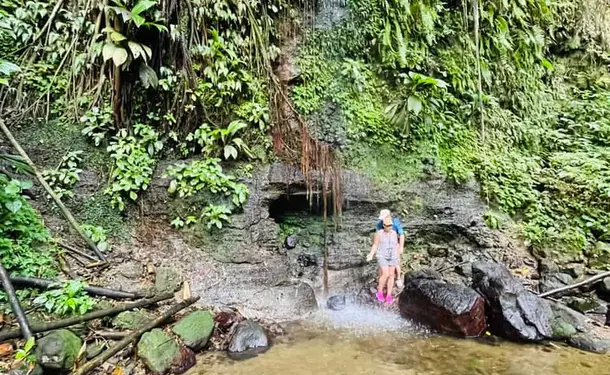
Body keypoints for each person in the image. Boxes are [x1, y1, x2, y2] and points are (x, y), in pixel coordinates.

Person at [367, 216, 399, 304]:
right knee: (386, 274)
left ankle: (389, 295)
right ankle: (379, 292)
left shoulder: (394, 233)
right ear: (384, 225)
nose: (389, 227)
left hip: (392, 255)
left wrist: (397, 255)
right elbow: (375, 245)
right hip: (382, 255)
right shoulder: (379, 233)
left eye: (391, 225)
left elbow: (396, 244)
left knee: (392, 275)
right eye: (387, 225)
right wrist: (371, 254)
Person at [375, 209, 405, 288]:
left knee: (396, 264)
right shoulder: (379, 224)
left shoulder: (395, 222)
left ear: (389, 216)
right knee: (382, 265)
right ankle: (382, 281)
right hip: (384, 246)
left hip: (394, 245)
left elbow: (401, 234)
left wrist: (401, 246)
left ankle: (398, 278)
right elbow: (379, 236)